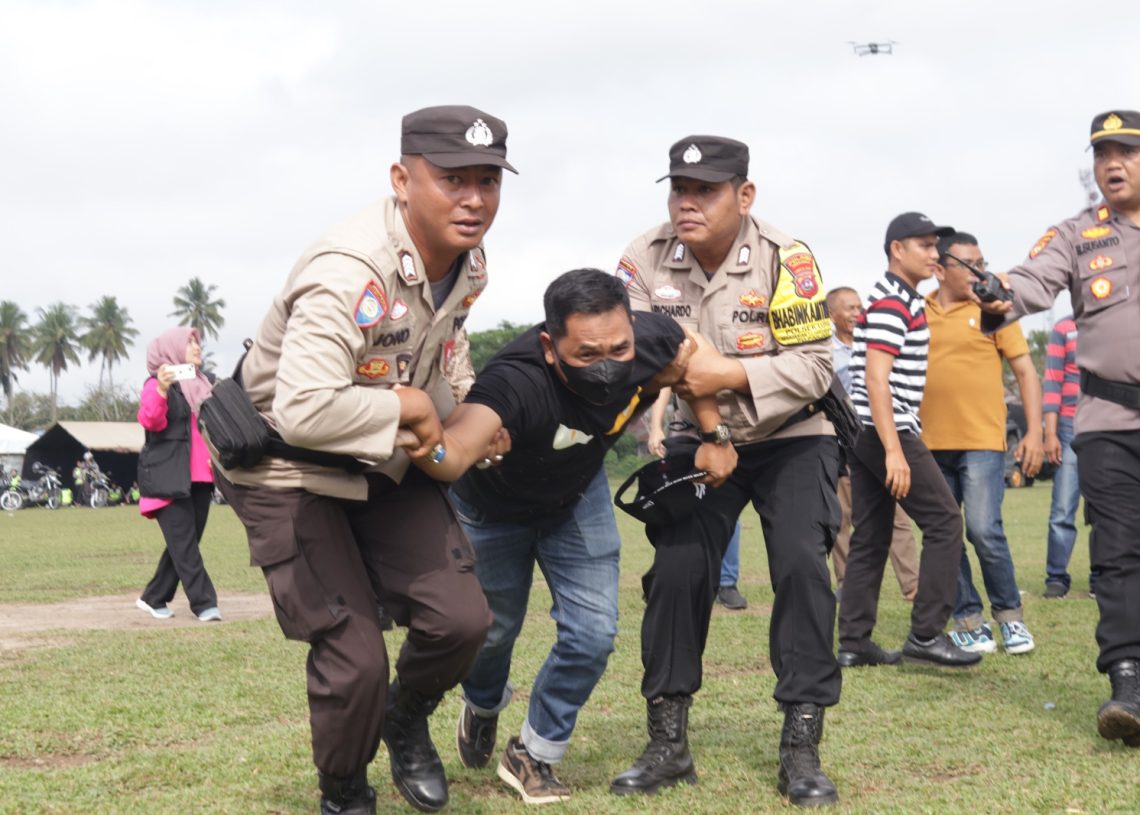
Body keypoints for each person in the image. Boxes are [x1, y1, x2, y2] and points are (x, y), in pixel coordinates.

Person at [213, 105, 513, 813]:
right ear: (401, 179)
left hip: (380, 460)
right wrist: (410, 407)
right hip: (288, 464)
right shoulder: (350, 270)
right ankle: (345, 788)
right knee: (354, 661)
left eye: (488, 180)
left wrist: (465, 405)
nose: (473, 199)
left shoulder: (466, 264)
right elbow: (304, 407)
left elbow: (441, 350)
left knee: (462, 619)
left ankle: (404, 717)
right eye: (452, 179)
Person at [400, 268, 724, 804]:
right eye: (587, 354)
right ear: (551, 346)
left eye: (619, 349)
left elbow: (691, 361)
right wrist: (429, 443)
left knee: (594, 633)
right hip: (494, 510)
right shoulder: (515, 381)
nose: (607, 365)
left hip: (578, 497)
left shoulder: (648, 338)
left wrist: (714, 434)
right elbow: (455, 453)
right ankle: (482, 703)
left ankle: (535, 752)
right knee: (494, 631)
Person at [611, 135, 842, 807]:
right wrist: (709, 419)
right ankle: (667, 740)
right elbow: (638, 357)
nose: (687, 203)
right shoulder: (642, 257)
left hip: (795, 432)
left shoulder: (785, 257)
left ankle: (801, 745)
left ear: (744, 196)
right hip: (698, 434)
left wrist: (726, 371)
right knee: (679, 568)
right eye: (678, 189)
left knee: (801, 562)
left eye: (705, 190)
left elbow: (816, 366)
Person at [978, 110, 1140, 747]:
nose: (1112, 164)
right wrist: (996, 290)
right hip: (1106, 421)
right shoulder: (1077, 235)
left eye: (1126, 151)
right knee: (1119, 553)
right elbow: (1028, 282)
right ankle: (1128, 684)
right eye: (1103, 155)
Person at [837, 212, 981, 670]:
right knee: (945, 522)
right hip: (887, 430)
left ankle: (854, 641)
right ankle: (926, 635)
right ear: (896, 250)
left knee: (872, 536)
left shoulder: (897, 300)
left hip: (867, 432)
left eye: (935, 245)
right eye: (923, 244)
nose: (934, 253)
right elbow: (876, 381)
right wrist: (895, 451)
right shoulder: (890, 305)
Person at [920, 232, 1041, 656]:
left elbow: (1026, 371)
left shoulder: (995, 311)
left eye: (982, 262)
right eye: (968, 264)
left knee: (984, 529)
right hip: (929, 444)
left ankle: (1010, 617)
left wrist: (1035, 432)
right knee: (946, 533)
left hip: (983, 441)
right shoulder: (919, 313)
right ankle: (970, 621)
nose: (980, 272)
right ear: (939, 269)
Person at [827, 286, 918, 602]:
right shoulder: (824, 351)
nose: (856, 314)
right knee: (842, 518)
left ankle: (913, 585)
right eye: (849, 308)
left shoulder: (874, 342)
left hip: (882, 439)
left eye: (859, 307)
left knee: (899, 518)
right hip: (844, 444)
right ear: (832, 314)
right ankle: (846, 584)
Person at [135, 327, 220, 623]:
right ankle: (205, 603)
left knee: (185, 544)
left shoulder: (203, 385)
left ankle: (153, 596)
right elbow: (150, 421)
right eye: (190, 342)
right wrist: (160, 389)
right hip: (167, 478)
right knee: (184, 545)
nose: (197, 347)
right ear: (171, 351)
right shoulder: (156, 385)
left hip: (201, 479)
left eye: (198, 341)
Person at [648, 388, 748, 609]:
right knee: (675, 506)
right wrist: (655, 427)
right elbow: (664, 385)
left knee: (725, 507)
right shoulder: (679, 354)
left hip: (724, 432)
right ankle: (666, 577)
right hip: (686, 431)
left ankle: (726, 583)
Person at [1042, 315, 1093, 598]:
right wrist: (1050, 435)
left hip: (1106, 424)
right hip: (1068, 426)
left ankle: (1103, 576)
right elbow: (1052, 384)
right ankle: (1057, 577)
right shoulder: (1063, 328)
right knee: (1063, 506)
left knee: (1106, 508)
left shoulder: (1114, 321)